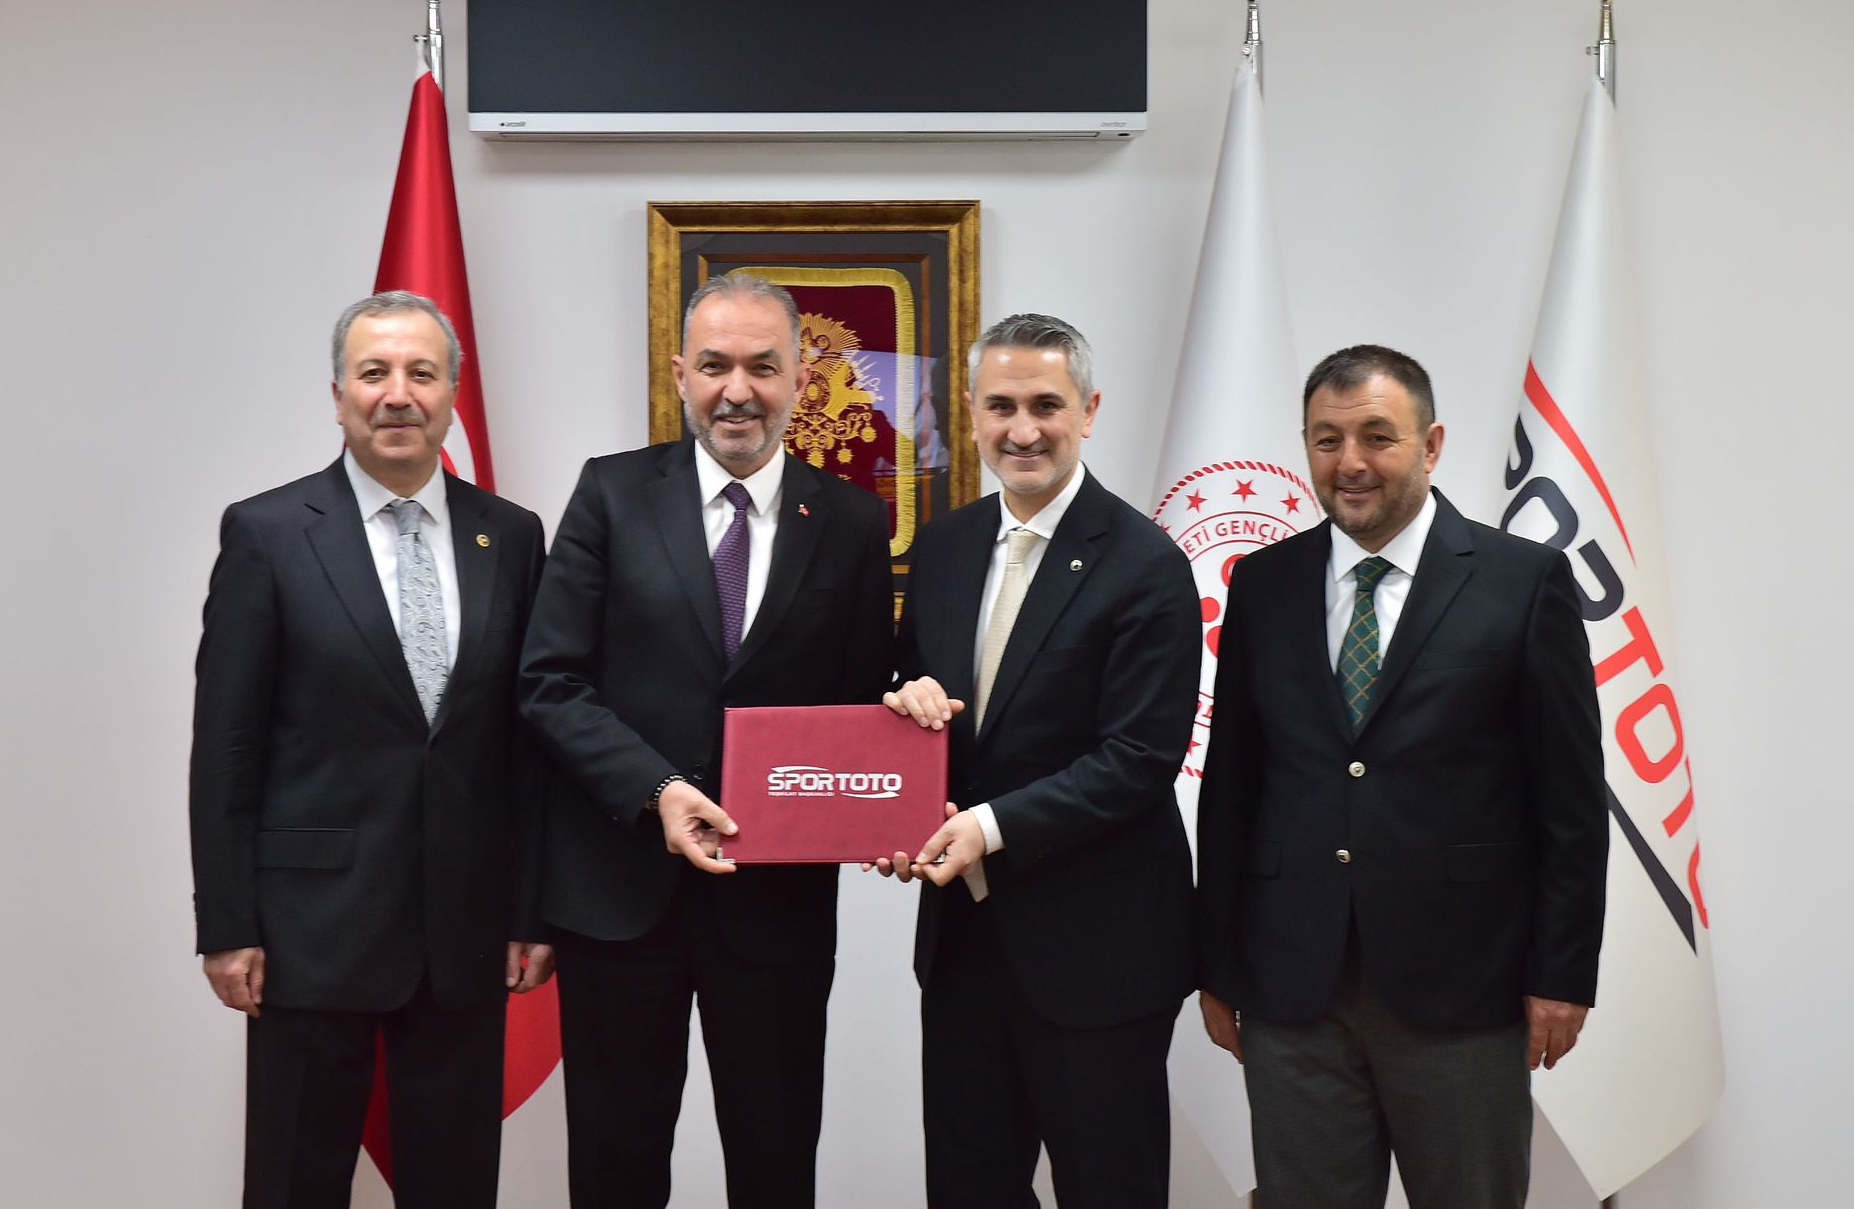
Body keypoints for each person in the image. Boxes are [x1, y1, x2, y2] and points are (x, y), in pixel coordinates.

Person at [1195, 344, 1608, 1208]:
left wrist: (1562, 972)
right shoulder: (1264, 584)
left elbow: (1570, 803)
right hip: (1292, 986)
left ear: (1432, 445)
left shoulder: (1522, 582)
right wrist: (1218, 961)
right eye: (1327, 440)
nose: (1350, 462)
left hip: (1466, 986)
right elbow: (1232, 787)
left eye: (1377, 437)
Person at [518, 272, 895, 1209]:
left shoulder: (851, 520)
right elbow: (549, 682)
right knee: (615, 1167)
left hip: (775, 911)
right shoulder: (610, 493)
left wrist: (904, 727)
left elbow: (856, 704)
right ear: (681, 374)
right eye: (716, 365)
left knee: (775, 1167)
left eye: (763, 367)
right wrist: (656, 790)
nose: (739, 390)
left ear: (800, 379)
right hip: (618, 897)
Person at [188, 291, 551, 1208]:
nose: (398, 394)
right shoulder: (268, 533)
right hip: (307, 931)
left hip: (464, 931)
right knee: (295, 1184)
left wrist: (531, 907)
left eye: (422, 374)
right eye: (374, 373)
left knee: (455, 1186)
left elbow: (528, 745)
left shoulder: (511, 536)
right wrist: (227, 923)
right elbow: (226, 746)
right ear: (338, 396)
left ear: (453, 395)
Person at [879, 312, 1200, 1209]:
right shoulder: (944, 547)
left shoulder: (1146, 563)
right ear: (971, 414)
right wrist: (902, 717)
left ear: (1089, 412)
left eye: (1046, 406)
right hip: (963, 951)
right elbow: (914, 694)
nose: (1022, 430)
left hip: (1099, 955)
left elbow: (1138, 759)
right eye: (1001, 407)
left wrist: (984, 828)